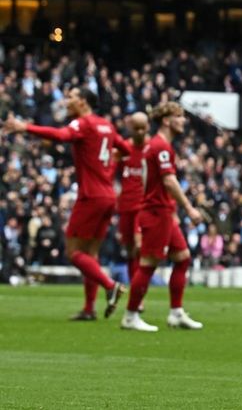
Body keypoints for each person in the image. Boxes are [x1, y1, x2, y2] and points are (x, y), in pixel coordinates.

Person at [3, 87, 131, 320]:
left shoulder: (83, 123)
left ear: (83, 101)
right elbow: (126, 150)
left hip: (90, 197)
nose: (67, 100)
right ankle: (89, 309)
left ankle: (110, 286)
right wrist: (112, 164)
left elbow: (61, 136)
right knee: (90, 254)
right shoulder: (107, 125)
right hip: (108, 196)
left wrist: (25, 127)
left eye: (71, 96)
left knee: (73, 253)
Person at [120, 102, 204, 332]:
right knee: (148, 264)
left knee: (183, 257)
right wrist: (189, 208)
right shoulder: (160, 147)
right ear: (167, 120)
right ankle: (130, 315)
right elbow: (168, 181)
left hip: (163, 211)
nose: (183, 121)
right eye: (179, 116)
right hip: (157, 212)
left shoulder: (156, 145)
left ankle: (176, 313)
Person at [115, 112, 149, 294]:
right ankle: (135, 289)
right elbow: (112, 173)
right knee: (129, 250)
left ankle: (139, 294)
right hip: (125, 205)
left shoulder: (152, 148)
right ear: (130, 128)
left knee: (139, 246)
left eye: (143, 128)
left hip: (143, 206)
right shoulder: (123, 149)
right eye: (137, 128)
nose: (141, 132)